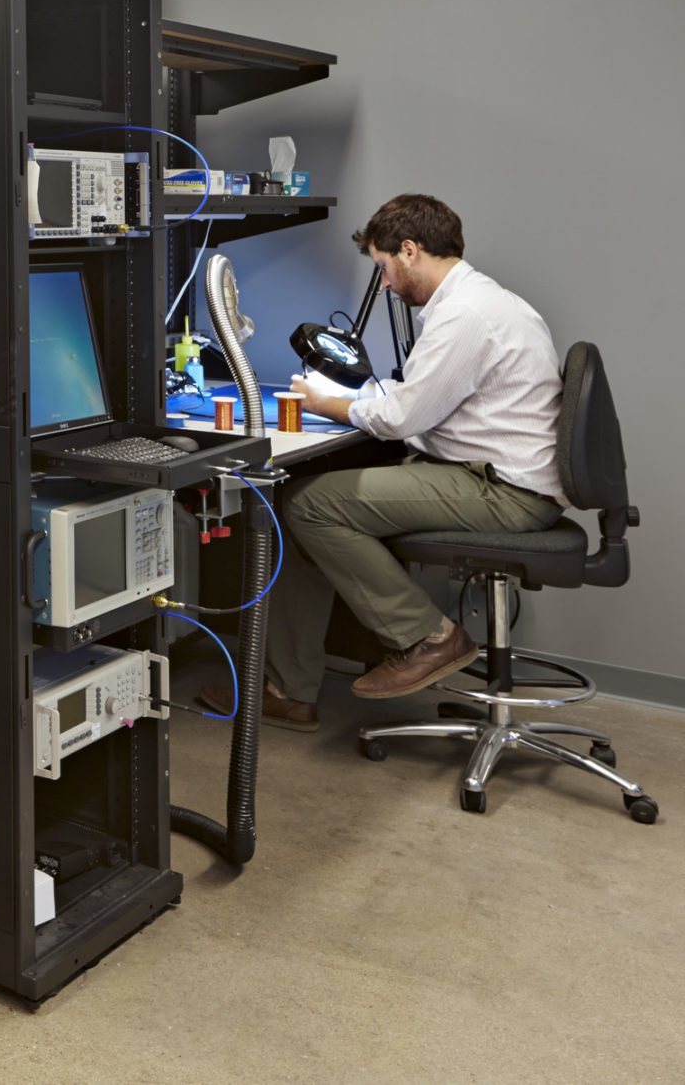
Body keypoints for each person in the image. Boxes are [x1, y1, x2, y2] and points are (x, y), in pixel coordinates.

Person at [201, 194, 566, 731]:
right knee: (300, 510)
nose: (387, 284)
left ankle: (430, 638)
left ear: (410, 251)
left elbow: (400, 419)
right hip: (490, 475)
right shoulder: (485, 301)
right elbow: (429, 397)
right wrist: (371, 401)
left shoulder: (464, 314)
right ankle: (290, 690)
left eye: (383, 267)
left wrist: (328, 404)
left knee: (309, 505)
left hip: (505, 492)